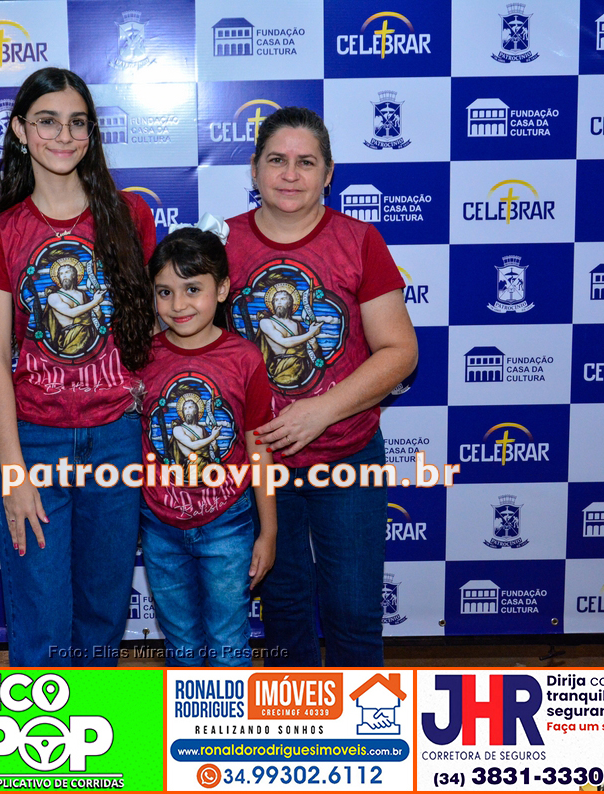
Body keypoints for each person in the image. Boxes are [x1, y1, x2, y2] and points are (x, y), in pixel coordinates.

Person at [0, 67, 156, 666]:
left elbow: (154, 326)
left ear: (91, 132)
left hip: (117, 437)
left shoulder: (130, 215)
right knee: (41, 614)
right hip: (38, 442)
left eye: (77, 122)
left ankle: (92, 721)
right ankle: (40, 728)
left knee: (102, 610)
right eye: (47, 122)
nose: (64, 136)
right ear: (20, 130)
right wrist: (13, 471)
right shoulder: (4, 232)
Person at [225, 106, 418, 667]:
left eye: (306, 162)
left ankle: (363, 721)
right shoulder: (220, 242)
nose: (290, 174)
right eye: (277, 160)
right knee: (283, 612)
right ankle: (298, 720)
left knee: (354, 613)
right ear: (254, 169)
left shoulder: (359, 241)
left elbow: (401, 352)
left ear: (328, 173)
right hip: (260, 462)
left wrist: (320, 411)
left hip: (347, 455)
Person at [138, 227, 277, 666]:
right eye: (165, 292)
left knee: (228, 640)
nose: (178, 305)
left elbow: (259, 445)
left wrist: (269, 530)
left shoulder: (245, 358)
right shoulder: (142, 357)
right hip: (160, 526)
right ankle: (188, 712)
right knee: (181, 643)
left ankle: (228, 714)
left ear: (222, 289)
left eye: (192, 289)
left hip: (228, 524)